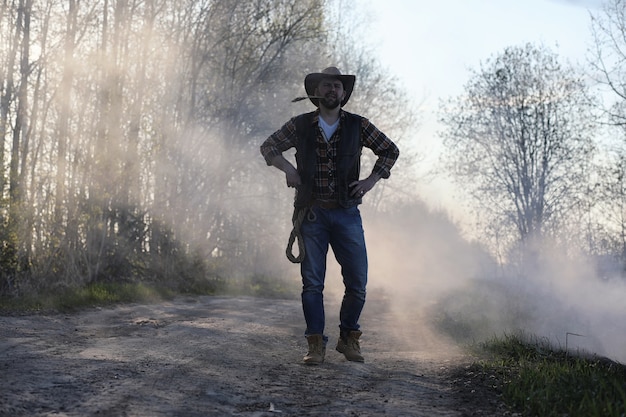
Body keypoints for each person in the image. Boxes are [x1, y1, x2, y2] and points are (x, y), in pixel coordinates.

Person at [260, 67, 399, 365]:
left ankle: (349, 339)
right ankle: (315, 345)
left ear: (344, 93)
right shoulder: (300, 125)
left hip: (347, 214)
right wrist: (289, 169)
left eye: (337, 86)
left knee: (358, 282)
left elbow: (389, 150)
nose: (332, 90)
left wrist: (370, 181)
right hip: (312, 214)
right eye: (326, 85)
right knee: (312, 283)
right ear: (316, 92)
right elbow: (268, 147)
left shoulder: (358, 126)